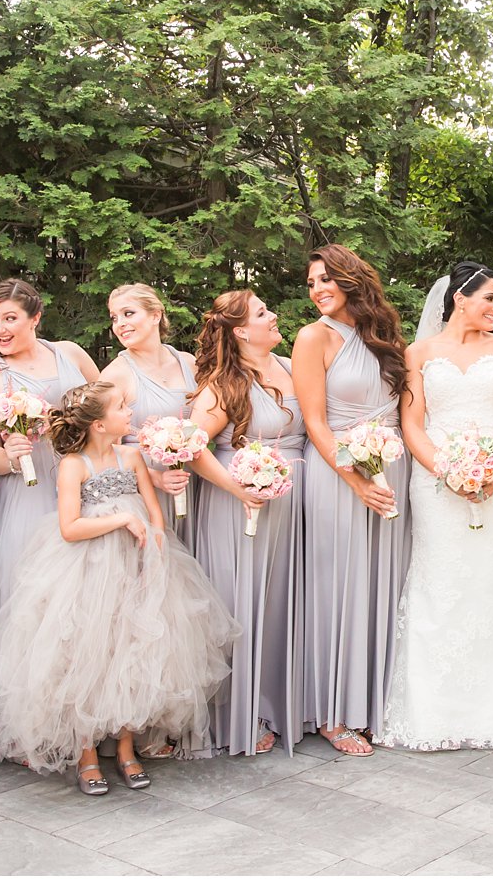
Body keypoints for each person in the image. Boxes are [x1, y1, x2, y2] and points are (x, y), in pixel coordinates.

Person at [0, 381, 238, 795]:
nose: (130, 414)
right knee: (88, 656)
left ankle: (125, 748)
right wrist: (121, 520)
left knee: (131, 654)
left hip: (137, 568)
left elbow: (155, 517)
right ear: (100, 424)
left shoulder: (132, 454)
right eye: (122, 408)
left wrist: (155, 555)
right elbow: (70, 527)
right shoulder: (73, 464)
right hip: (88, 572)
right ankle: (86, 754)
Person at [377, 261, 493, 750]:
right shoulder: (419, 352)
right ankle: (431, 713)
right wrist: (448, 472)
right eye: (489, 298)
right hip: (435, 484)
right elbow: (412, 425)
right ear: (460, 299)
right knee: (439, 583)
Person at [293, 245, 411, 757]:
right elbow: (316, 422)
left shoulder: (382, 335)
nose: (317, 289)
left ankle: (379, 701)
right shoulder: (311, 338)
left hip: (391, 469)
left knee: (382, 583)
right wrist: (355, 478)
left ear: (350, 281)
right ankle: (334, 711)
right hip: (336, 473)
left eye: (326, 280)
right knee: (339, 586)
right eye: (312, 282)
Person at [184, 290, 307, 757]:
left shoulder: (291, 367)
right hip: (239, 509)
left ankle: (276, 703)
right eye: (262, 312)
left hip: (288, 506)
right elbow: (194, 449)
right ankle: (237, 711)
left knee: (277, 607)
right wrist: (240, 489)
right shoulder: (224, 383)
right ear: (240, 331)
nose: (274, 314)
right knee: (239, 605)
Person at [0, 279, 97, 633]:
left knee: (89, 582)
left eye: (9, 318)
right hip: (30, 488)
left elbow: (104, 412)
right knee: (33, 586)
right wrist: (9, 457)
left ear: (35, 317)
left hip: (86, 481)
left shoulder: (70, 353)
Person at [101, 283, 200, 552]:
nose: (119, 324)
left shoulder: (189, 363)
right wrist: (156, 478)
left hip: (189, 482)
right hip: (142, 489)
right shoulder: (115, 375)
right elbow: (104, 448)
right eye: (114, 317)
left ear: (156, 315)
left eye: (128, 313)